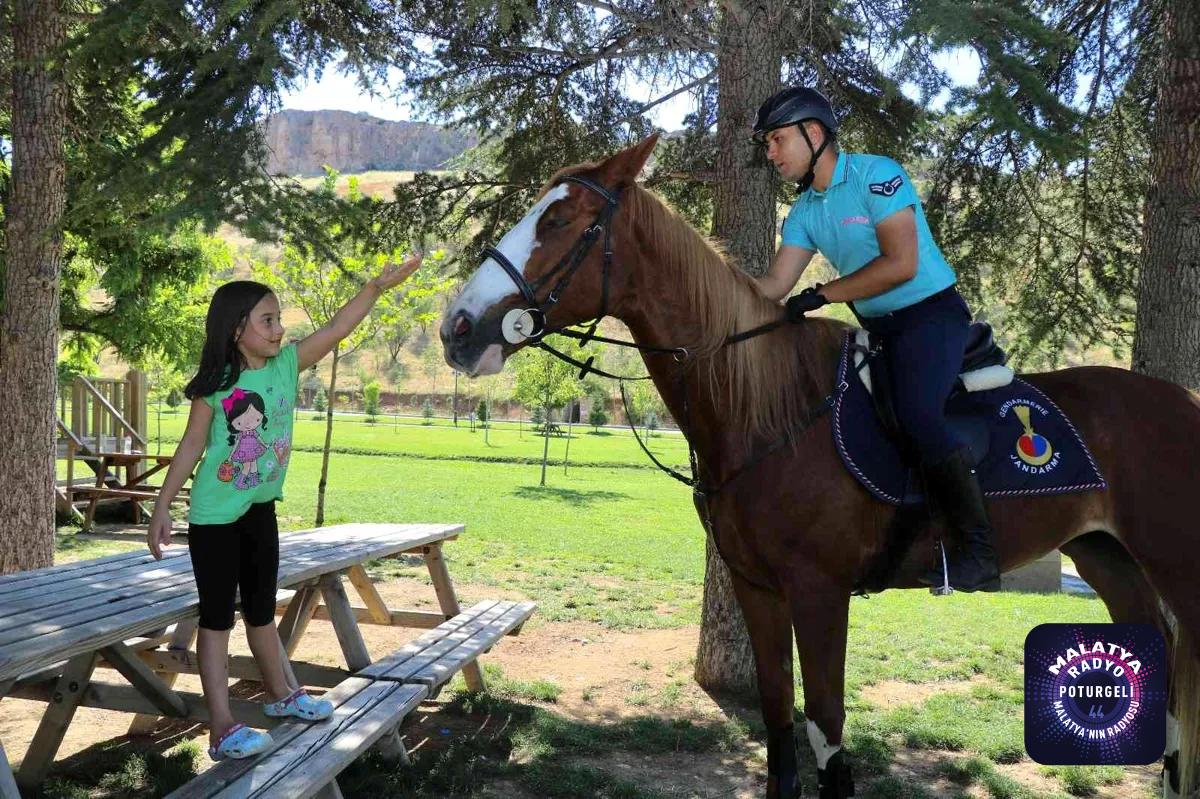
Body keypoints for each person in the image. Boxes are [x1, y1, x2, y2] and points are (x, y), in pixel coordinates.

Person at [147, 254, 422, 760]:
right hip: (215, 517)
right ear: (236, 330)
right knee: (215, 622)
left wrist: (375, 287)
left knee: (259, 611)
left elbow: (338, 327)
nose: (279, 329)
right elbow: (191, 448)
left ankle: (282, 696)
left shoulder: (287, 364)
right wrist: (164, 506)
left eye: (279, 319)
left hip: (259, 508)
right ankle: (222, 727)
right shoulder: (216, 388)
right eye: (267, 320)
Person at [751, 86, 999, 593]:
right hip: (881, 330)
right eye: (767, 144)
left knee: (919, 415)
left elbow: (901, 264)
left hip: (932, 318)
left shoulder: (877, 175)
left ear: (813, 133)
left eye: (777, 140)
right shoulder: (804, 212)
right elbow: (774, 287)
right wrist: (713, 291)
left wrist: (822, 295)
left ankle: (980, 555)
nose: (770, 153)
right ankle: (896, 545)